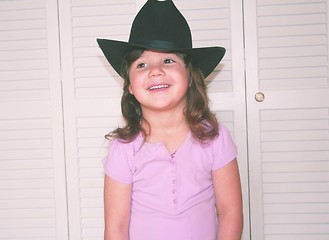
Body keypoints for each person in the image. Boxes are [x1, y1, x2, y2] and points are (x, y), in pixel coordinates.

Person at [97, 0, 243, 239]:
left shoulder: (215, 138)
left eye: (168, 60)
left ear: (190, 75)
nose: (155, 70)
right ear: (130, 86)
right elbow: (116, 226)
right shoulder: (123, 148)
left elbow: (231, 212)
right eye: (142, 64)